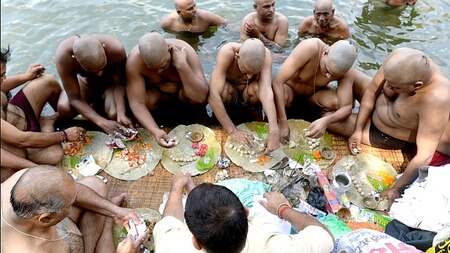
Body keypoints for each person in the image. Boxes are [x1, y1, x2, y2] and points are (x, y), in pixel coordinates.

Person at [328, 48, 450, 210]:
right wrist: (357, 129)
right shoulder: (400, 57)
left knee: (327, 119)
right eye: (388, 83)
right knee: (347, 72)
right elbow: (372, 91)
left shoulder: (437, 99)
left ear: (417, 86)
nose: (389, 88)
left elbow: (424, 155)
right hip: (376, 106)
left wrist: (396, 189)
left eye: (395, 87)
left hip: (385, 132)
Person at [153, 173, 334, 252]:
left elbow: (169, 220)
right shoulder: (278, 246)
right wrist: (282, 209)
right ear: (246, 212)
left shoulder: (172, 246)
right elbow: (326, 237)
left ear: (196, 242)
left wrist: (177, 187)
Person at [1, 166, 149, 253]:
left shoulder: (22, 177)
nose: (75, 202)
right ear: (46, 218)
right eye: (70, 204)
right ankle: (106, 225)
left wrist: (114, 210)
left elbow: (77, 191)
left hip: (63, 228)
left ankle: (108, 219)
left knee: (94, 184)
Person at [1, 47, 82, 181]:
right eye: (1, 76)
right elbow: (21, 139)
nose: (4, 78)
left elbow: (2, 85)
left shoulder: (1, 81)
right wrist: (64, 135)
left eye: (4, 74)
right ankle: (47, 123)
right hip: (21, 144)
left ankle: (62, 117)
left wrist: (26, 76)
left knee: (48, 82)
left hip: (19, 112)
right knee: (55, 155)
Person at [126, 32, 209, 148]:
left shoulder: (185, 50)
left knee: (194, 96)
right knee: (148, 99)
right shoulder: (134, 61)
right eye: (153, 69)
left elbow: (201, 97)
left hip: (184, 97)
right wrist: (155, 130)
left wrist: (182, 65)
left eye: (164, 65)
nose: (159, 71)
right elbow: (136, 103)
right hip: (161, 98)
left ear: (169, 50)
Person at [272, 38, 359, 141]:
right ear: (325, 53)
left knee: (337, 102)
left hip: (312, 96)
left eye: (334, 76)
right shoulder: (310, 47)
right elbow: (278, 81)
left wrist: (326, 121)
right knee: (281, 97)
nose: (328, 77)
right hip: (290, 90)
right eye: (327, 70)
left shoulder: (348, 70)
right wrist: (282, 122)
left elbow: (347, 107)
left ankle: (316, 119)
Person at [208, 38, 279, 152]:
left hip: (248, 94)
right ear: (237, 57)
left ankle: (254, 112)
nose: (249, 76)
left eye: (254, 72)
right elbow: (213, 95)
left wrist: (274, 128)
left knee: (258, 88)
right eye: (245, 70)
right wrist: (233, 131)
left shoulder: (266, 56)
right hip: (232, 94)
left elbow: (266, 90)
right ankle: (225, 118)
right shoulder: (228, 52)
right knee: (222, 91)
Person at [56, 34, 134, 136]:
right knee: (64, 109)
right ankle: (94, 109)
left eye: (102, 67)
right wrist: (101, 121)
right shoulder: (64, 58)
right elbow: (74, 97)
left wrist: (121, 113)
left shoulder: (115, 49)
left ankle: (99, 106)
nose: (99, 74)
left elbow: (119, 84)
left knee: (114, 113)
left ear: (104, 48)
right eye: (93, 71)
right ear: (75, 59)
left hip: (110, 85)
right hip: (86, 83)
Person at [160, 0, 227, 34]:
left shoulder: (206, 17)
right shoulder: (168, 22)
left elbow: (226, 24)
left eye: (194, 6)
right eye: (190, 9)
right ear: (179, 12)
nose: (195, 10)